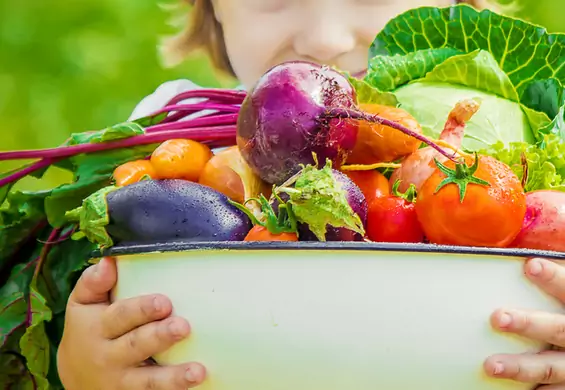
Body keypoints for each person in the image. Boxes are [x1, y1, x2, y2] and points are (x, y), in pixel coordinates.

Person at [57, 0, 565, 389]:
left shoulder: (530, 151)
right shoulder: (173, 135)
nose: (325, 38)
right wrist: (85, 369)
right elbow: (109, 306)